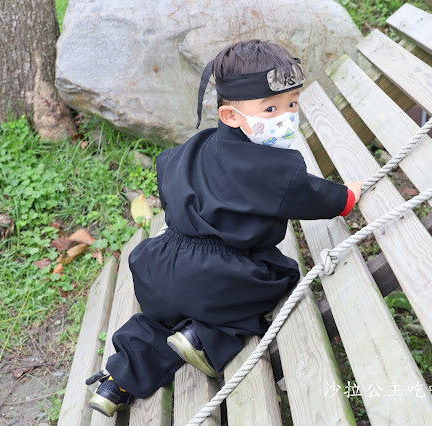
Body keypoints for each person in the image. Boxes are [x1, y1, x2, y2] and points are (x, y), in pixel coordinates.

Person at [86, 39, 362, 417]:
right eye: (271, 108)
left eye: (292, 104)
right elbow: (311, 195)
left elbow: (168, 178)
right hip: (217, 278)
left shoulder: (191, 149)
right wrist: (347, 197)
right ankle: (204, 336)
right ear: (231, 116)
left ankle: (115, 383)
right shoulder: (273, 169)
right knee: (279, 274)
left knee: (157, 321)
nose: (286, 116)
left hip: (160, 270)